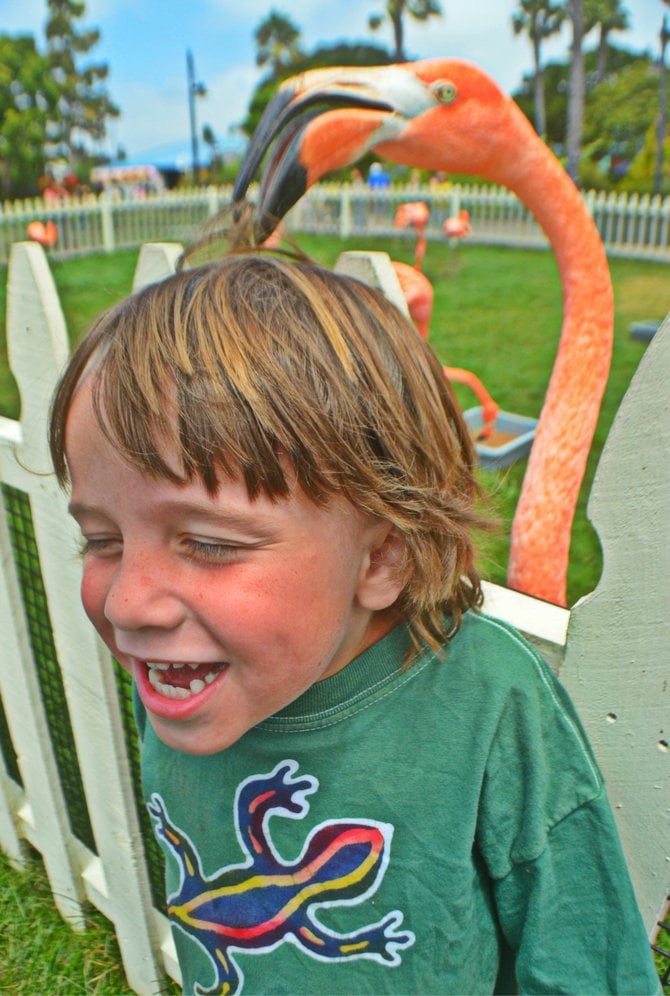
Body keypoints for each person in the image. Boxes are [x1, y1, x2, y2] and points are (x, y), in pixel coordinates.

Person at [49, 253, 660, 995]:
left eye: (208, 543)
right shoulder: (191, 679)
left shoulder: (487, 702)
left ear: (381, 559)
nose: (126, 603)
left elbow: (584, 963)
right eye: (103, 540)